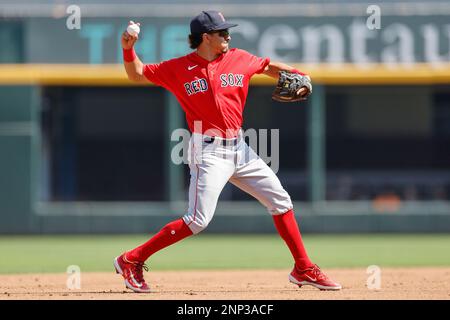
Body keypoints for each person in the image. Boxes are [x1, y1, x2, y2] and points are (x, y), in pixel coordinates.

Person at [114, 10, 341, 293]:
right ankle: (131, 260)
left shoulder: (239, 58)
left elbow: (269, 67)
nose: (228, 36)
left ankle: (304, 268)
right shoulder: (178, 68)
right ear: (206, 37)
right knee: (197, 220)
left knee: (281, 201)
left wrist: (297, 74)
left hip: (239, 147)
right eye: (222, 33)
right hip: (207, 151)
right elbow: (136, 74)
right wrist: (128, 48)